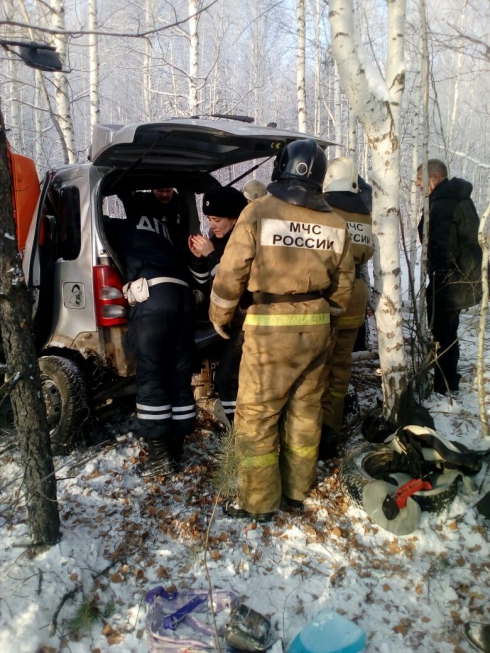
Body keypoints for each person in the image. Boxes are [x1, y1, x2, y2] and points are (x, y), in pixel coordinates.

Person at [209, 139, 355, 521]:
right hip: (317, 329)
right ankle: (297, 490)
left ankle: (258, 502)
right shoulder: (336, 222)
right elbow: (343, 285)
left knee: (256, 417)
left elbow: (231, 272)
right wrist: (328, 315)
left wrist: (220, 318)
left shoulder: (258, 211)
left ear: (281, 170)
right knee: (305, 412)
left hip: (270, 329)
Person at [106, 186, 196, 477]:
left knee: (152, 375)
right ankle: (177, 448)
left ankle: (159, 455)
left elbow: (90, 229)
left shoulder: (128, 226)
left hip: (153, 301)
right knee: (179, 375)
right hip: (183, 300)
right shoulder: (168, 232)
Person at [319, 157, 374, 459]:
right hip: (357, 296)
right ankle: (332, 428)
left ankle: (313, 432)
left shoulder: (325, 208)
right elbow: (368, 252)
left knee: (320, 367)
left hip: (333, 294)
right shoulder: (364, 211)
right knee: (341, 366)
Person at [417, 159, 483, 396]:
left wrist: (436, 279)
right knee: (448, 332)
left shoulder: (444, 204)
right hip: (461, 279)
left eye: (421, 180)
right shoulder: (460, 199)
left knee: (443, 334)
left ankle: (445, 386)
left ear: (434, 179)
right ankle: (447, 380)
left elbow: (443, 248)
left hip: (449, 282)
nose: (417, 185)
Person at [188, 186, 249, 423]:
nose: (212, 225)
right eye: (209, 220)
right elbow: (205, 283)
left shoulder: (243, 242)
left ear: (235, 219)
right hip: (230, 320)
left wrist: (212, 255)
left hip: (246, 320)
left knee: (226, 378)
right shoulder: (219, 239)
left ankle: (240, 431)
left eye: (217, 220)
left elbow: (232, 283)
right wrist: (197, 257)